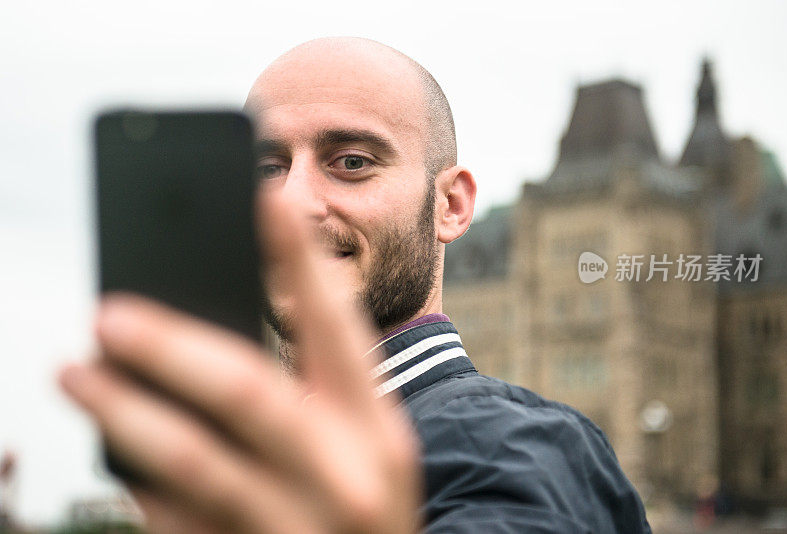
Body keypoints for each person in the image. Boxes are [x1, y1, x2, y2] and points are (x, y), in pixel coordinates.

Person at [59, 37, 652, 533]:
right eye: (266, 169)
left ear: (450, 205)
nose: (291, 204)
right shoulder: (252, 478)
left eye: (351, 162)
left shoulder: (513, 450)